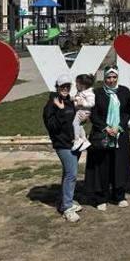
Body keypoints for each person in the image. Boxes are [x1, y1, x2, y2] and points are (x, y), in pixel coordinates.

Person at [85, 66, 130, 211]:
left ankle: (119, 195)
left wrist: (119, 126)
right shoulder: (97, 93)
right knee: (102, 166)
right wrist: (105, 127)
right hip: (102, 135)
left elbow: (127, 112)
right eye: (108, 77)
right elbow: (93, 114)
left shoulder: (124, 92)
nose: (111, 80)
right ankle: (101, 197)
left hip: (119, 134)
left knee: (118, 164)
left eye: (114, 77)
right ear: (104, 78)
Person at [43, 74, 83, 222]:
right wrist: (60, 110)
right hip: (63, 145)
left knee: (68, 173)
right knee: (72, 174)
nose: (65, 88)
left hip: (74, 143)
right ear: (57, 87)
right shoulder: (51, 105)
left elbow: (71, 122)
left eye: (68, 86)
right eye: (62, 86)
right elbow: (52, 126)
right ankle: (67, 208)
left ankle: (63, 201)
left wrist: (81, 120)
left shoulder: (68, 101)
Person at [71, 74, 95, 152]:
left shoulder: (89, 92)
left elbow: (92, 103)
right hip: (81, 110)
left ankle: (77, 139)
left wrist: (82, 103)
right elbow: (77, 101)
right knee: (80, 126)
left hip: (83, 111)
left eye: (77, 83)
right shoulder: (81, 92)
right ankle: (84, 140)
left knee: (75, 123)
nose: (75, 85)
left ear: (82, 85)